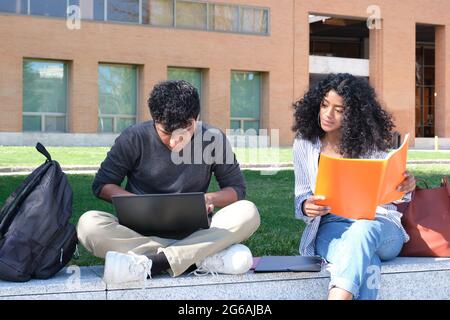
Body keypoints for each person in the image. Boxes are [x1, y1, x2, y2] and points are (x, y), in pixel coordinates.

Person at [77, 80, 260, 285]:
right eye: (166, 133)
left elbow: (237, 189)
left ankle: (154, 262)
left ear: (195, 120)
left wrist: (207, 198)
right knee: (88, 224)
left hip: (196, 231)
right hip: (139, 232)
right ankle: (198, 257)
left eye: (184, 132)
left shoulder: (213, 139)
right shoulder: (133, 137)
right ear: (154, 120)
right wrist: (139, 204)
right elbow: (102, 185)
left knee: (248, 212)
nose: (175, 142)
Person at [292, 73, 416, 300]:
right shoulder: (305, 144)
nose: (328, 114)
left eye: (339, 110)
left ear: (355, 115)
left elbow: (395, 197)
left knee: (362, 230)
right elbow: (301, 195)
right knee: (365, 258)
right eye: (324, 105)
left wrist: (405, 187)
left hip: (381, 227)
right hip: (332, 227)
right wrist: (305, 206)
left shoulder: (372, 147)